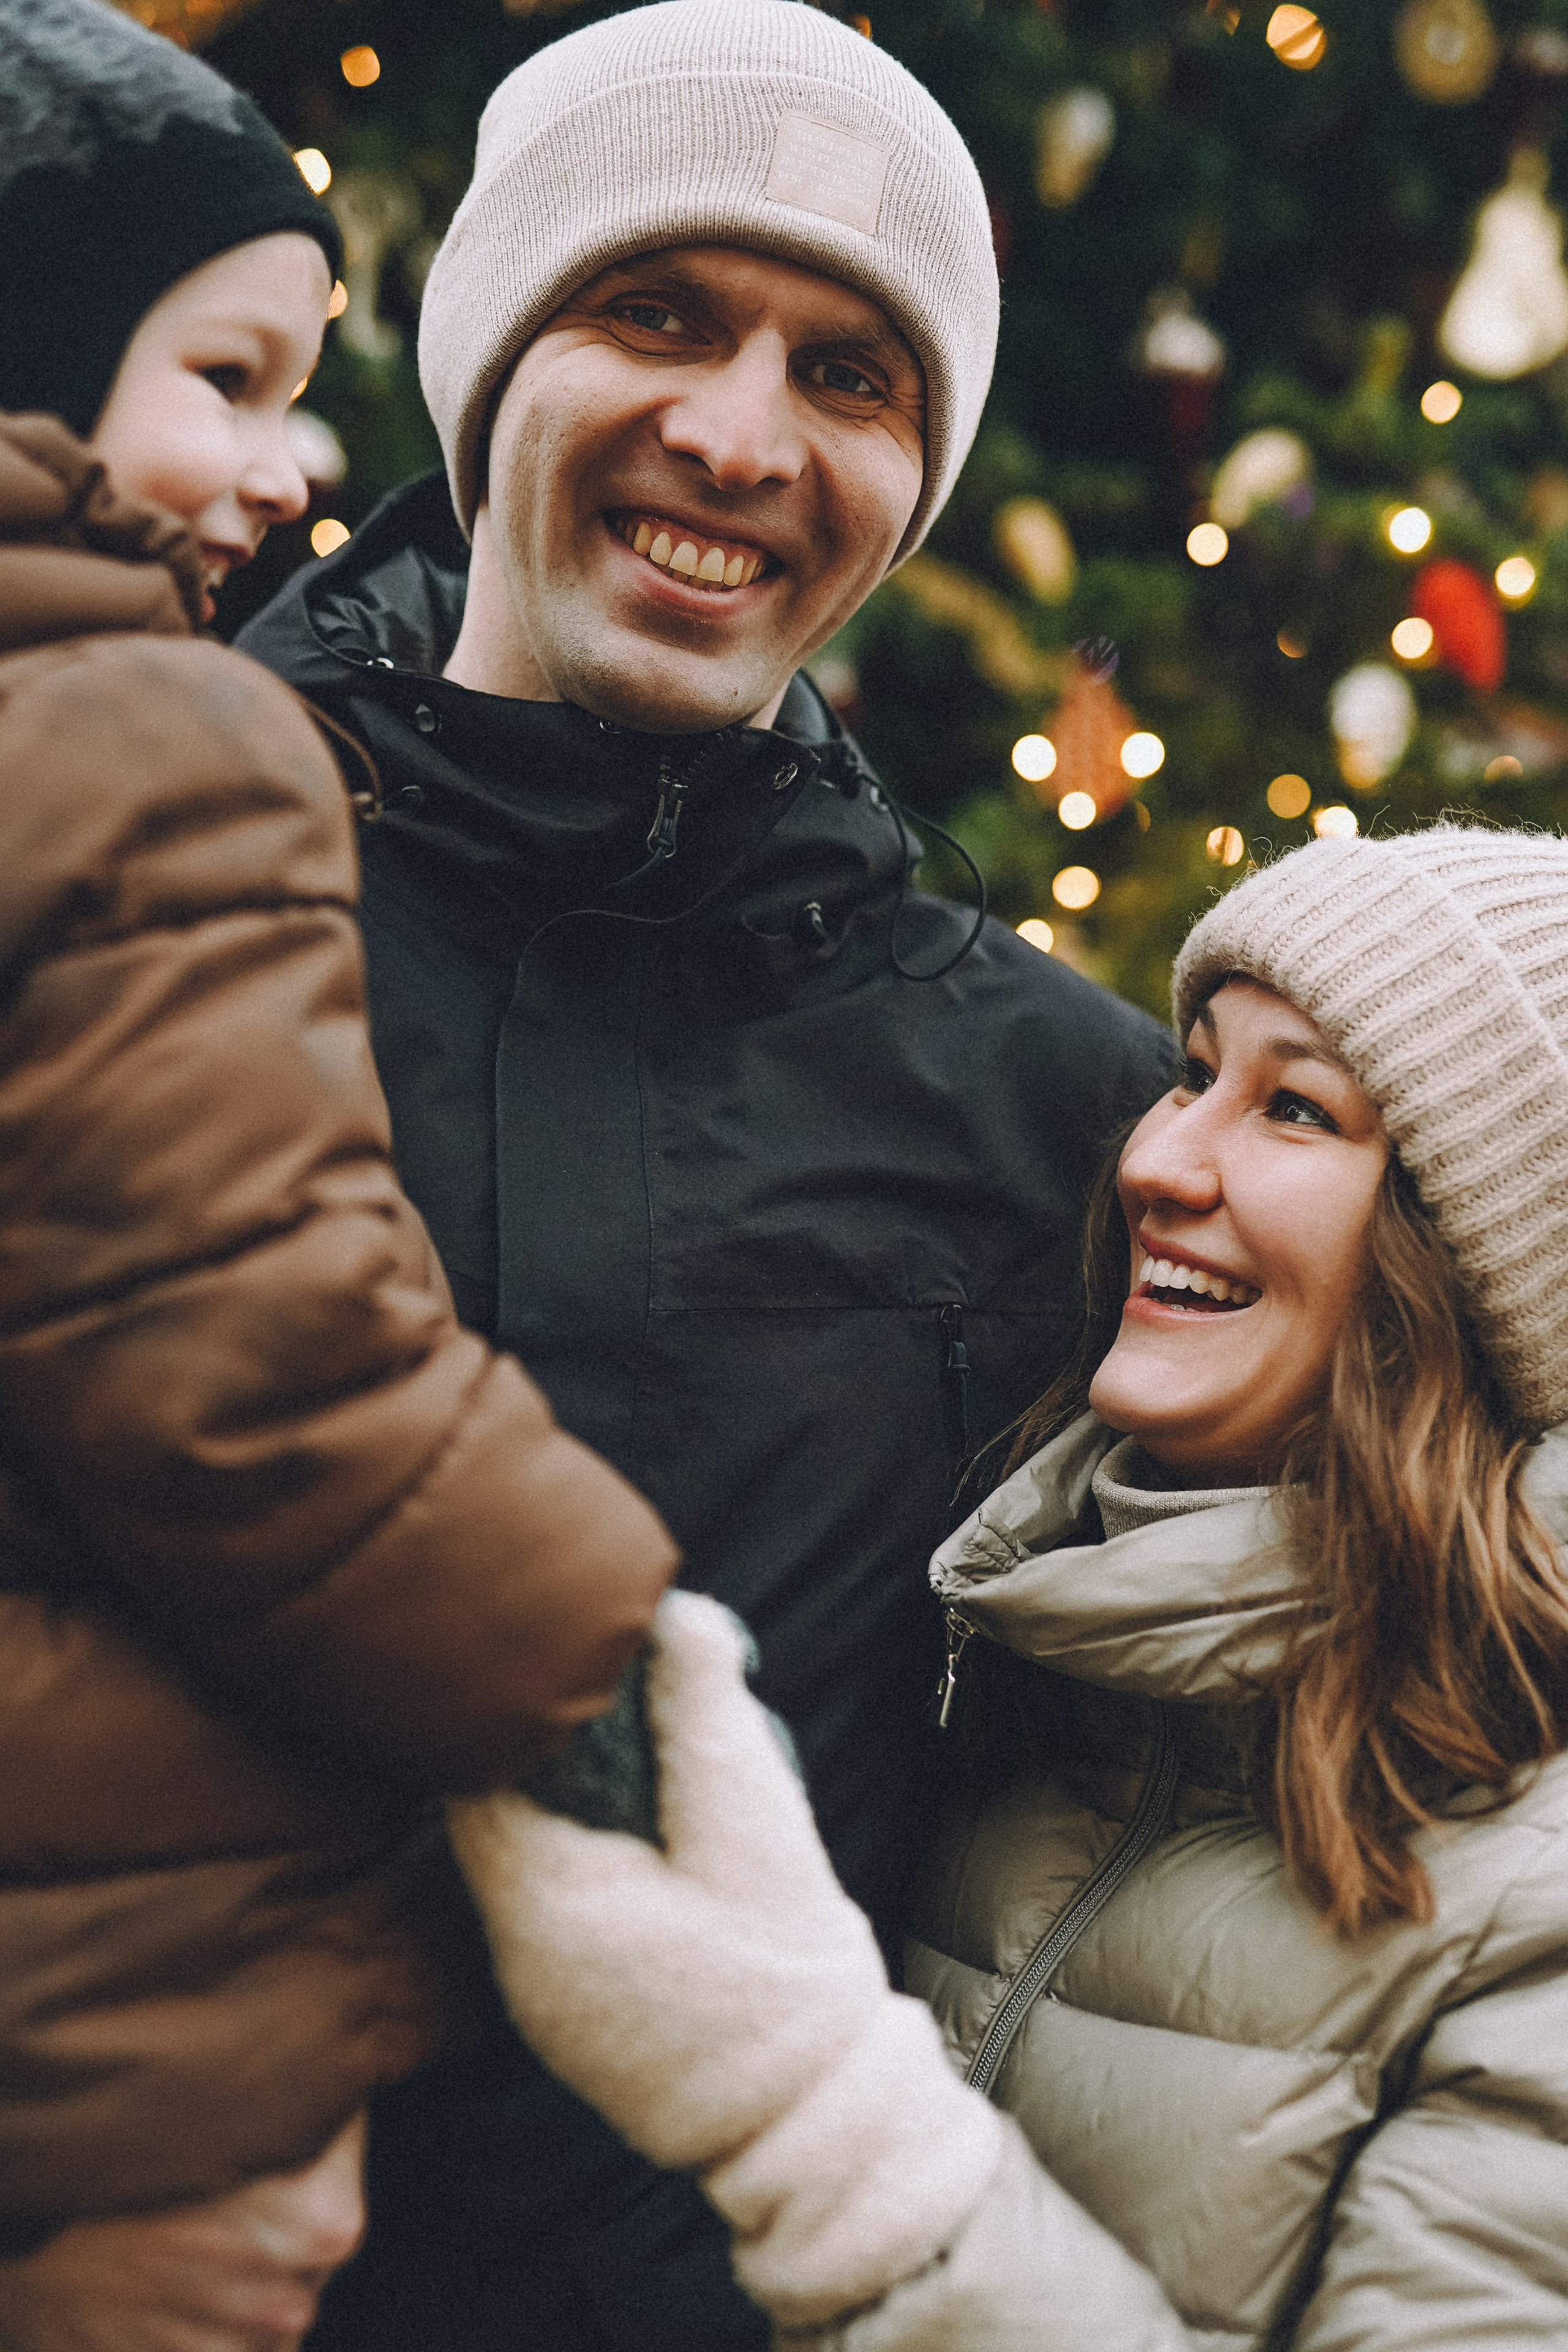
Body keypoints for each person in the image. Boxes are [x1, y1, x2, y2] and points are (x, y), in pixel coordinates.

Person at [238, 5, 1174, 2339]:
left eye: (851, 376)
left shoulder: (1068, 1115)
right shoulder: (137, 933)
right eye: (656, 314)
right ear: (489, 367)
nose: (742, 438)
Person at [451, 823, 1568, 2350]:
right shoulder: (1046, 1661)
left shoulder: (1533, 1891)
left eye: (1293, 1108)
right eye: (1193, 1074)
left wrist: (803, 2103)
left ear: (1489, 1268)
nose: (1154, 1160)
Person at [0, 7, 675, 2347]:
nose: (293, 471)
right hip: (128, 2031)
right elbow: (250, 1352)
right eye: (224, 376)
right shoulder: (147, 729)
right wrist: (593, 1653)